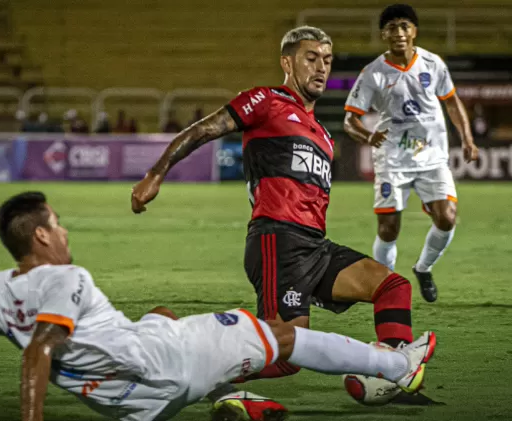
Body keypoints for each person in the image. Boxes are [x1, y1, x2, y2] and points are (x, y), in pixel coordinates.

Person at [0, 191, 436, 421]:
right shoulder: (67, 277)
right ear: (39, 236)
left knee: (162, 314)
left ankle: (231, 398)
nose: (64, 230)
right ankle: (396, 365)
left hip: (132, 406)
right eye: (57, 224)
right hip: (168, 363)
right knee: (277, 333)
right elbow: (40, 351)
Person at [131, 25, 423, 399]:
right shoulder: (266, 101)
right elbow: (204, 130)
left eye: (327, 61)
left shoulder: (323, 134)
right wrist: (156, 173)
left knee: (392, 286)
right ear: (287, 62)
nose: (321, 68)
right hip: (278, 240)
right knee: (283, 355)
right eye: (311, 58)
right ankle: (178, 355)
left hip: (315, 247)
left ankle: (393, 377)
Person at [342, 4, 479, 303]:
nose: (399, 33)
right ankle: (385, 286)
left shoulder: (433, 63)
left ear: (414, 31)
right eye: (392, 27)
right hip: (393, 158)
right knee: (389, 228)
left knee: (447, 218)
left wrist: (466, 138)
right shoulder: (373, 73)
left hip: (432, 157)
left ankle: (423, 267)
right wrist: (367, 135)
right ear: (383, 34)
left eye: (405, 26)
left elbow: (452, 102)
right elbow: (349, 120)